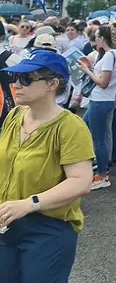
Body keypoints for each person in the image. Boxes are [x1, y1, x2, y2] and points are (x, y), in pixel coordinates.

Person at [0, 50, 94, 283]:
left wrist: (30, 204)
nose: (16, 84)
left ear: (52, 84)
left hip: (47, 230)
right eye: (14, 77)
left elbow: (80, 182)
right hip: (6, 223)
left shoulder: (70, 126)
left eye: (26, 79)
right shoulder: (14, 116)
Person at [77, 25, 116, 191]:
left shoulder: (110, 55)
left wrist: (86, 70)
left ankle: (103, 174)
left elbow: (103, 82)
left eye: (96, 37)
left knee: (98, 139)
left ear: (102, 38)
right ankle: (97, 169)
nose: (94, 40)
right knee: (85, 129)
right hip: (104, 99)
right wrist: (91, 68)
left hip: (101, 99)